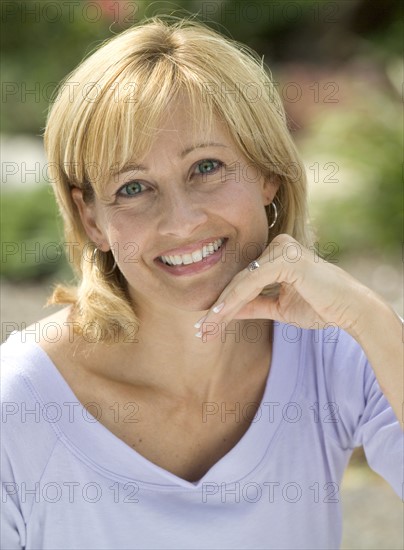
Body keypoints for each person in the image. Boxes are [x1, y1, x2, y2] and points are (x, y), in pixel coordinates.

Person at [1, 16, 402, 550]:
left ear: (268, 172)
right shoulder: (21, 404)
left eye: (206, 167)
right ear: (92, 218)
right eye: (134, 186)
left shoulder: (338, 348)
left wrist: (370, 319)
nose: (181, 221)